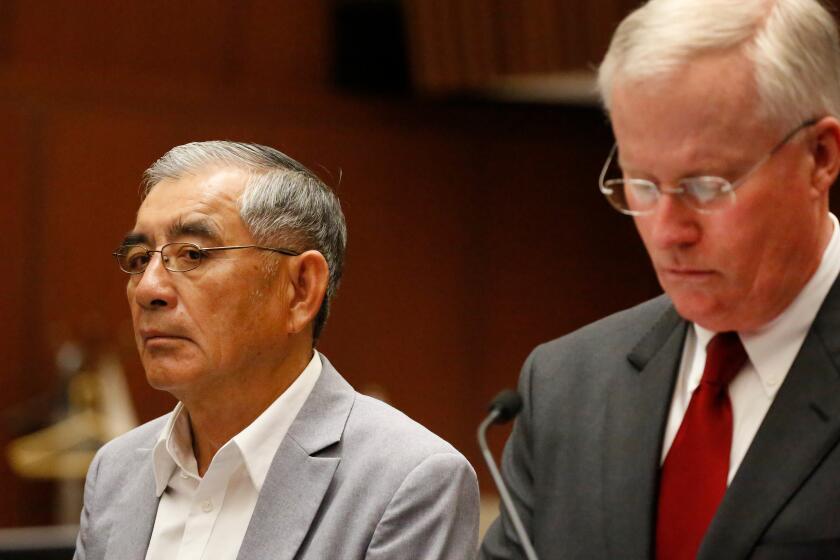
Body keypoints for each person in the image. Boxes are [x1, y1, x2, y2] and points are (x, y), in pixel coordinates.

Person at [480, 0, 840, 558]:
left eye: (706, 186)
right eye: (642, 185)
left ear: (819, 157)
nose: (669, 231)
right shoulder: (565, 386)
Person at [74, 142, 479, 559]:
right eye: (140, 259)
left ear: (300, 289)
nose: (148, 289)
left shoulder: (406, 481)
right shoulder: (116, 470)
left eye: (193, 254)